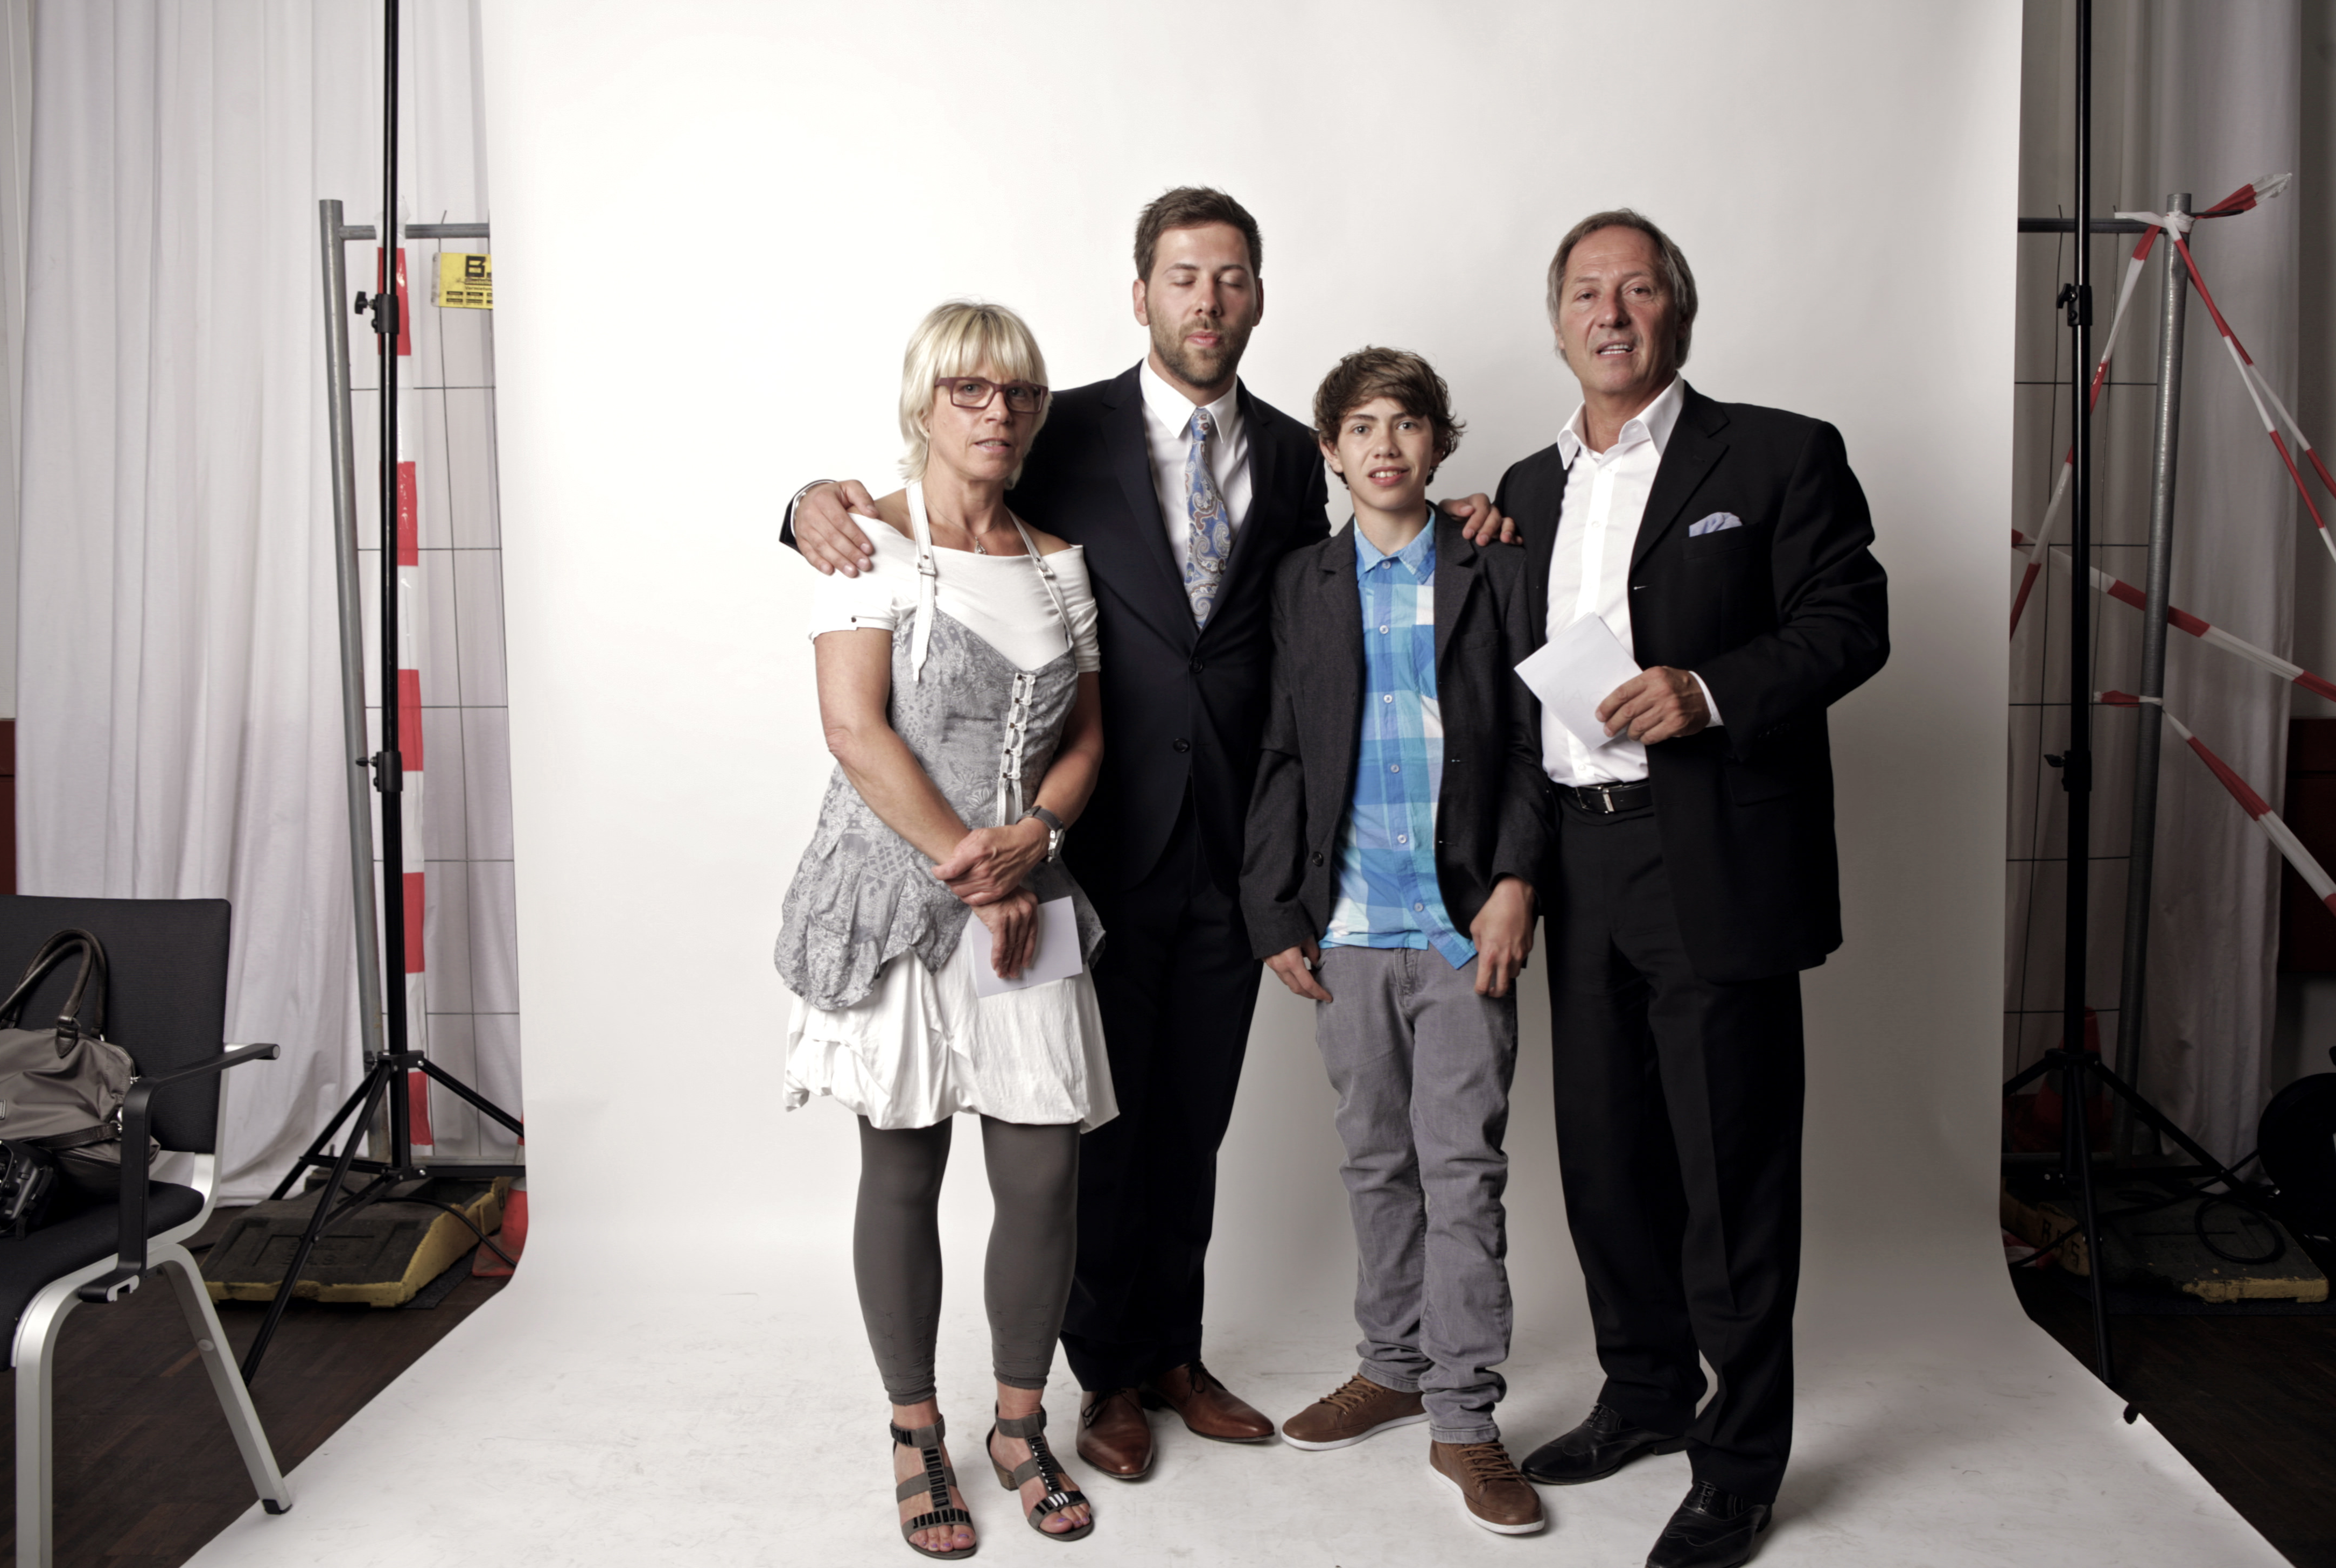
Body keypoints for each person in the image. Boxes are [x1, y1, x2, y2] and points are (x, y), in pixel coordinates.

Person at [782, 187, 1511, 1479]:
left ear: (1258, 297)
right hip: (1092, 847)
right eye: (1183, 276)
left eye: (1230, 277)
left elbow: (1348, 577)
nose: (1207, 301)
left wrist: (1474, 519)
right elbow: (933, 495)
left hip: (1233, 842)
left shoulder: (1294, 450)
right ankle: (1103, 1374)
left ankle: (1175, 1351)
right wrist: (802, 501)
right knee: (1089, 1135)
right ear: (1141, 295)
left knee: (1192, 1120)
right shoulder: (1057, 426)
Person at [1495, 212, 1888, 1568]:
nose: (1611, 313)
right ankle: (1647, 1394)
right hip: (1577, 857)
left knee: (1731, 1170)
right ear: (1558, 322)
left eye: (1639, 289)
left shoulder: (1779, 453)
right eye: (1586, 293)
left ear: (1680, 309)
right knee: (1605, 1155)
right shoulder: (1526, 485)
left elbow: (1850, 623)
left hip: (1713, 850)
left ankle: (1739, 1464)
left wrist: (1709, 691)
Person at [778, 299, 1110, 1556]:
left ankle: (1021, 1424)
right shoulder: (862, 539)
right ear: (924, 401)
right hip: (895, 892)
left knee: (1043, 1169)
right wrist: (978, 870)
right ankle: (916, 1428)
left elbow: (1086, 739)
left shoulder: (1058, 560)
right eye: (970, 388)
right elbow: (854, 730)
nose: (997, 411)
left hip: (1030, 885)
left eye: (1018, 391)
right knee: (904, 1163)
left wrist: (1039, 834)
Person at [1243, 349, 1551, 1535]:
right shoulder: (1303, 580)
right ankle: (1393, 1365)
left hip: (1465, 924)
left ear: (1439, 442)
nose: (1386, 445)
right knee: (1376, 1160)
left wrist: (1516, 881)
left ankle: (1465, 1418)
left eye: (1408, 423)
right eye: (1362, 426)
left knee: (1461, 1169)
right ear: (1330, 450)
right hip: (1348, 928)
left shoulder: (1495, 565)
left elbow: (1528, 739)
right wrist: (1277, 909)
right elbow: (1282, 749)